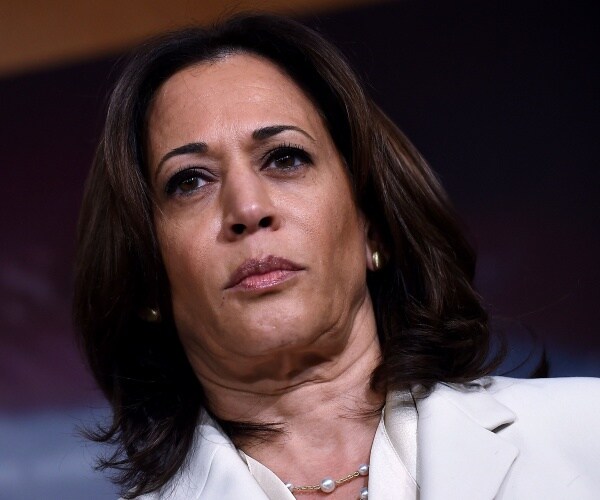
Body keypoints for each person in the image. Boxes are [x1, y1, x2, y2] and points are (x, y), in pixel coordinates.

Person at [74, 12, 600, 500]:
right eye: (190, 181)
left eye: (285, 158)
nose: (248, 208)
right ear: (146, 278)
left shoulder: (586, 432)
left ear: (373, 227)